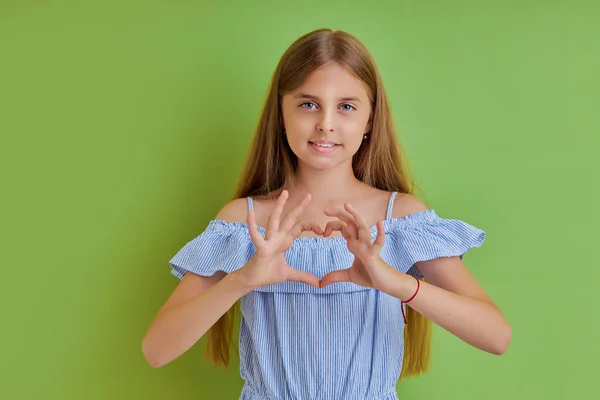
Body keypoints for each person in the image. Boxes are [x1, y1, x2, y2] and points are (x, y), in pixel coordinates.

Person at [142, 28, 512, 399]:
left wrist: (395, 283)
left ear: (370, 120)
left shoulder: (400, 218)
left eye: (346, 106)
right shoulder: (244, 222)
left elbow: (496, 336)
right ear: (281, 115)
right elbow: (157, 350)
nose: (326, 123)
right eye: (308, 104)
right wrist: (242, 280)